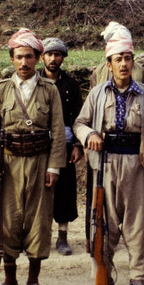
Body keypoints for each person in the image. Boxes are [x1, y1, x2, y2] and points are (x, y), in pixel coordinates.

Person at [74, 22, 144, 285]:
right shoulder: (98, 92)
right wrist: (89, 134)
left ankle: (138, 277)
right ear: (108, 63)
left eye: (127, 58)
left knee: (137, 226)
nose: (123, 64)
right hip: (105, 164)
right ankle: (103, 276)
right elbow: (79, 123)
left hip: (137, 165)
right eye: (118, 59)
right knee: (104, 224)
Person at [0, 29, 66, 285]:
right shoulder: (1, 90)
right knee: (8, 221)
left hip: (40, 162)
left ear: (37, 58)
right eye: (19, 57)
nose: (24, 63)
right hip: (8, 164)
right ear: (12, 58)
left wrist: (54, 167)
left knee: (38, 222)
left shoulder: (50, 91)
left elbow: (57, 131)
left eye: (29, 57)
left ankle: (33, 281)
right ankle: (9, 280)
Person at [37, 37, 84, 256]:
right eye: (49, 54)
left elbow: (78, 117)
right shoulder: (34, 81)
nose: (53, 59)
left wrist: (77, 144)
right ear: (42, 57)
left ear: (63, 57)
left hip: (64, 144)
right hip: (37, 144)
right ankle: (39, 235)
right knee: (39, 189)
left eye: (57, 54)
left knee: (64, 191)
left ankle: (62, 236)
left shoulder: (71, 84)